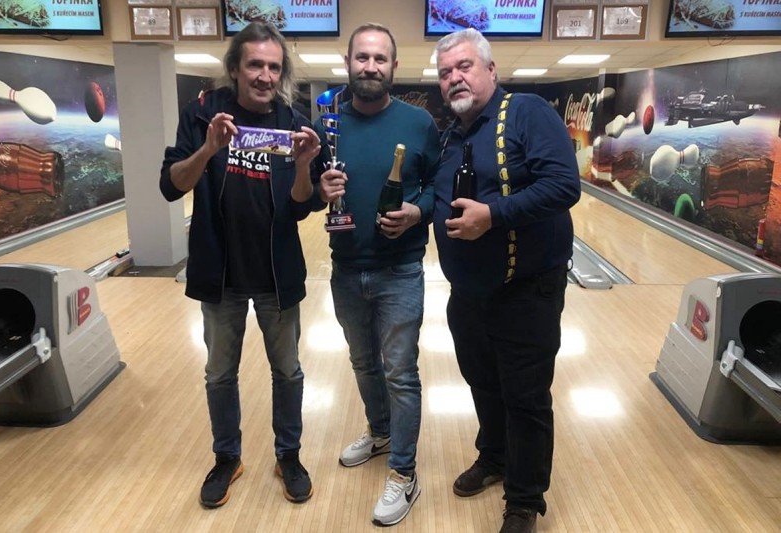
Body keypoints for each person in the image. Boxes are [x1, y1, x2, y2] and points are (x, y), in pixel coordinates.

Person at [159, 21, 327, 509]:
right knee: (219, 374)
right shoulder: (202, 114)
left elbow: (302, 206)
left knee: (288, 372)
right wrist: (209, 148)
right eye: (255, 65)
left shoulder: (294, 123)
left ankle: (288, 455)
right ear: (235, 68)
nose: (265, 76)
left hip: (278, 273)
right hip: (220, 275)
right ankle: (227, 458)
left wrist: (303, 166)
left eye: (273, 67)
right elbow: (171, 185)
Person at [432, 29, 581, 533]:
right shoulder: (452, 134)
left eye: (465, 66)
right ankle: (494, 457)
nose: (455, 77)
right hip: (468, 294)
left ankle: (523, 500)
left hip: (526, 291)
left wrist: (493, 216)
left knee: (526, 398)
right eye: (445, 72)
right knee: (483, 384)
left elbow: (563, 184)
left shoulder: (526, 112)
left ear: (491, 70)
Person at [316, 23, 441, 527]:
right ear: (348, 62)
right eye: (362, 57)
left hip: (400, 270)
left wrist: (417, 211)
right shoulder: (328, 125)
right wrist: (318, 189)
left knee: (400, 372)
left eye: (380, 58)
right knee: (363, 364)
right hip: (345, 268)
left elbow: (437, 186)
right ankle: (381, 431)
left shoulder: (419, 123)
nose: (370, 66)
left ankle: (404, 473)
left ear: (394, 67)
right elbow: (310, 192)